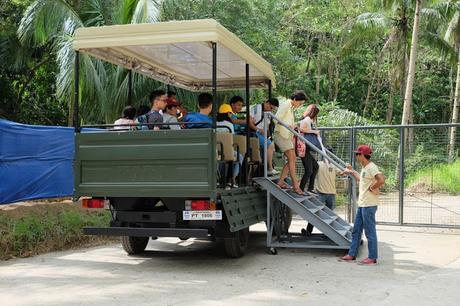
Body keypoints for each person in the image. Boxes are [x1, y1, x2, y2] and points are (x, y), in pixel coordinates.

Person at [340, 145, 385, 265]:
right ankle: (352, 254)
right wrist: (351, 171)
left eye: (357, 154)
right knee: (356, 230)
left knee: (369, 231)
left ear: (362, 155)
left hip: (369, 205)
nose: (356, 156)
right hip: (363, 204)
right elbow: (361, 179)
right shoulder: (365, 168)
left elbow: (381, 179)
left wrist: (372, 187)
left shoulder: (371, 167)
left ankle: (372, 257)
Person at [274, 90, 307, 195]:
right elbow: (275, 119)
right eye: (300, 103)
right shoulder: (285, 105)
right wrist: (287, 126)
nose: (300, 105)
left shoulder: (291, 107)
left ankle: (280, 182)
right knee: (292, 158)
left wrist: (293, 126)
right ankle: (296, 186)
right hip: (281, 134)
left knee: (292, 158)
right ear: (295, 99)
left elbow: (288, 122)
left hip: (286, 136)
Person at [302, 146, 339, 236]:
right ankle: (308, 231)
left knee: (330, 215)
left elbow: (341, 172)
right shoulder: (318, 164)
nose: (327, 155)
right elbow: (311, 174)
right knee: (315, 213)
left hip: (331, 194)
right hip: (320, 193)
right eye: (326, 153)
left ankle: (329, 234)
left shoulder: (334, 165)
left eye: (329, 154)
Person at [250, 98, 279, 175]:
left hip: (262, 134)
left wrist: (268, 136)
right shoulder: (256, 108)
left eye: (273, 110)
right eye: (271, 108)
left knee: (270, 147)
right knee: (270, 145)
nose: (271, 110)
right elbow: (249, 122)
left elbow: (267, 126)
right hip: (254, 133)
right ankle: (270, 168)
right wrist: (258, 130)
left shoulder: (268, 113)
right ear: (267, 103)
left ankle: (267, 168)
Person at [217, 104, 243, 187]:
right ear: (228, 114)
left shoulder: (214, 123)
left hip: (216, 151)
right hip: (227, 151)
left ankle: (218, 178)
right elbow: (231, 138)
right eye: (230, 113)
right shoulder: (229, 125)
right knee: (240, 156)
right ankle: (232, 178)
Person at [298, 104, 320, 192]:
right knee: (309, 170)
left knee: (315, 166)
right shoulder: (307, 119)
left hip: (307, 148)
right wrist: (314, 131)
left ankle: (310, 188)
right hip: (303, 147)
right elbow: (301, 129)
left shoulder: (310, 120)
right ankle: (301, 188)